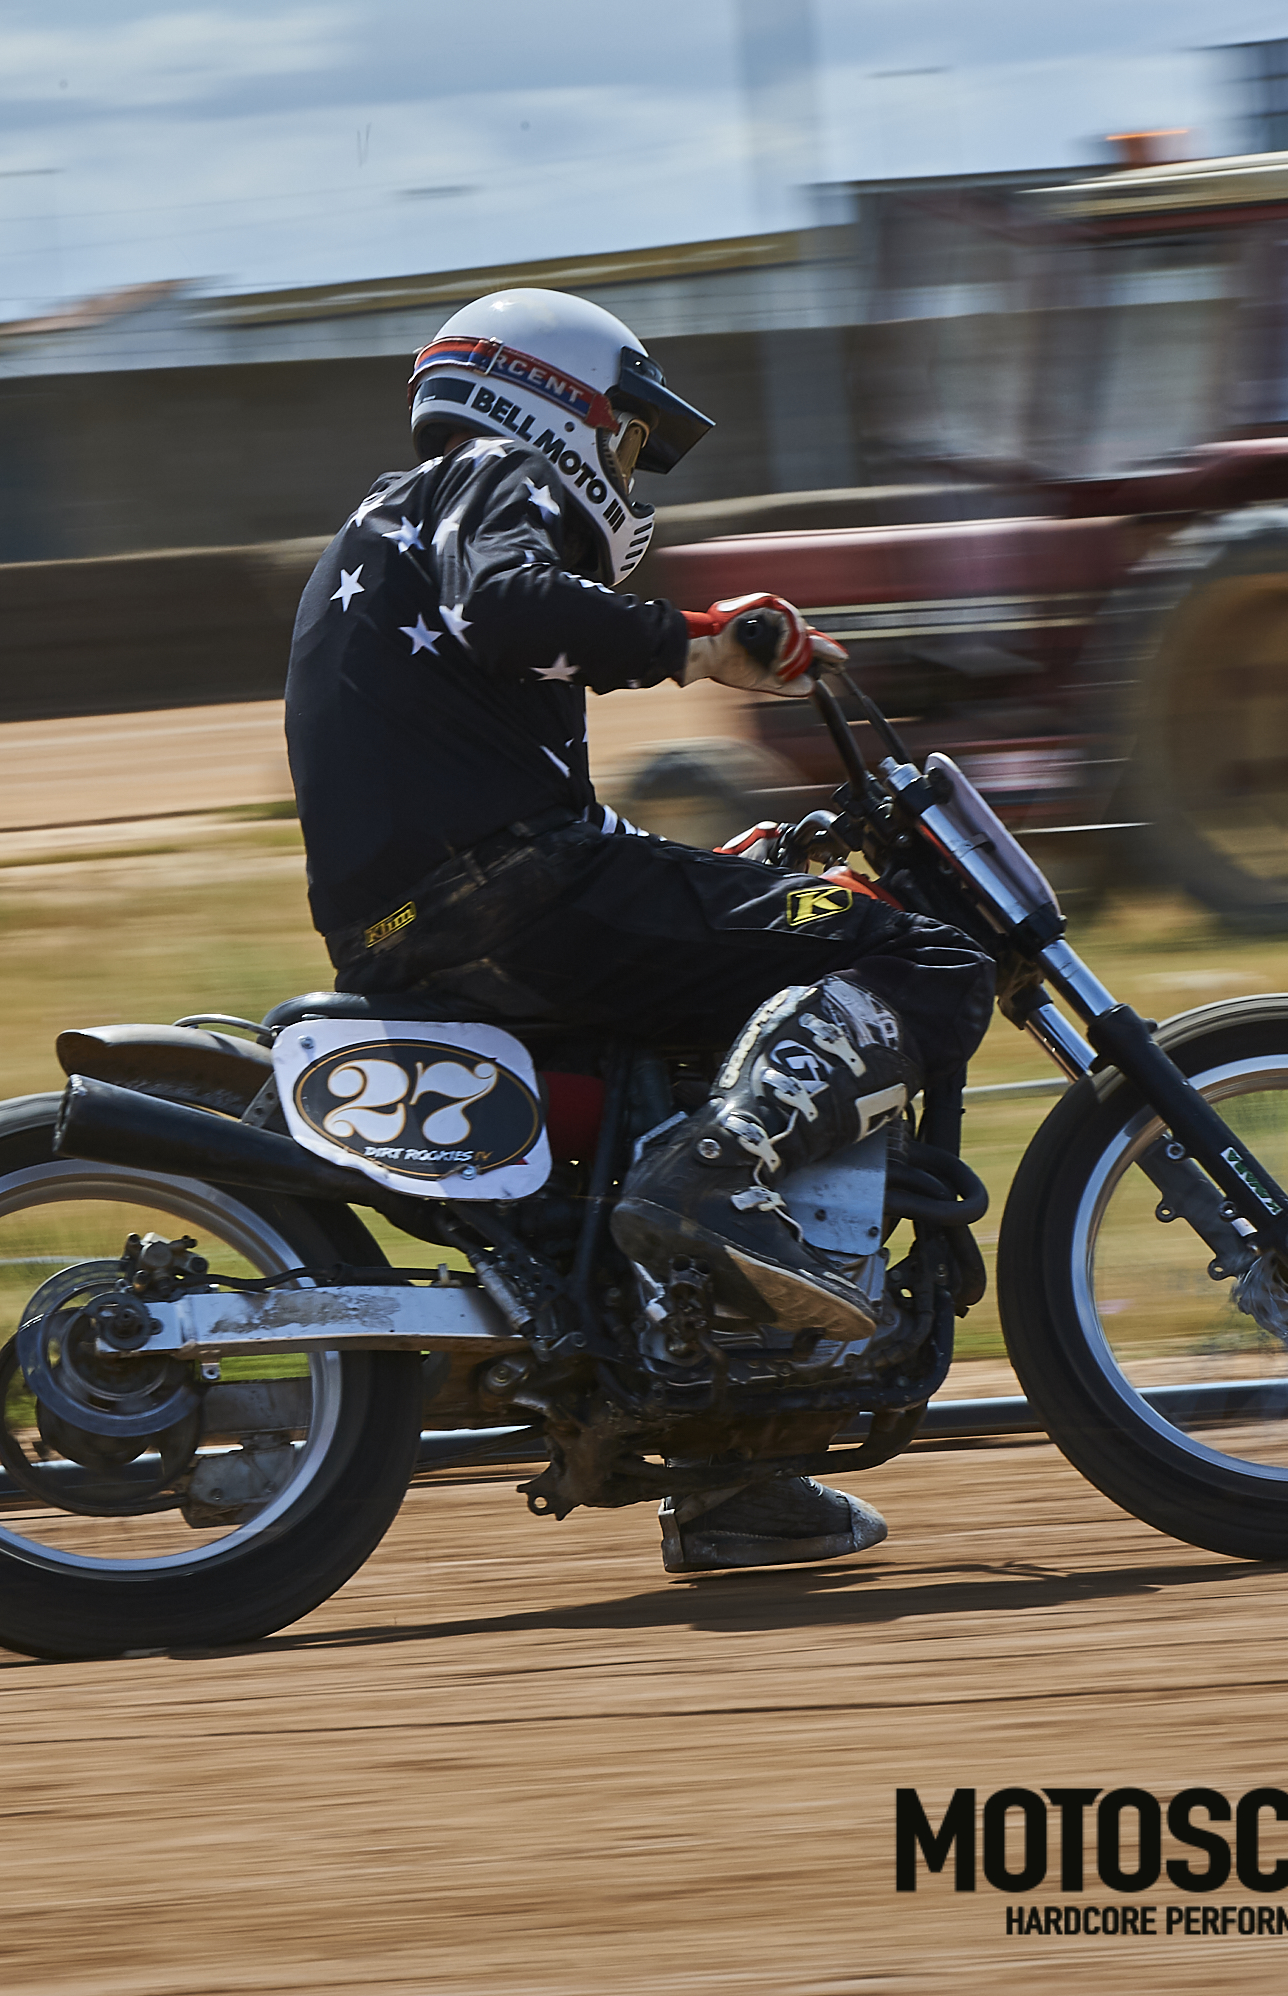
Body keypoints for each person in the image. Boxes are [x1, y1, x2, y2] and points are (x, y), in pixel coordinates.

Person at [282, 287, 994, 1575]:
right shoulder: (495, 474)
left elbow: (494, 737)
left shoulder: (385, 526)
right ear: (556, 406)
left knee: (700, 1043)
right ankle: (715, 1181)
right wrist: (701, 642)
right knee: (924, 954)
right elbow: (512, 607)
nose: (627, 472)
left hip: (429, 913)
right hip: (512, 889)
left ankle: (734, 1472)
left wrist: (721, 871)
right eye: (627, 437)